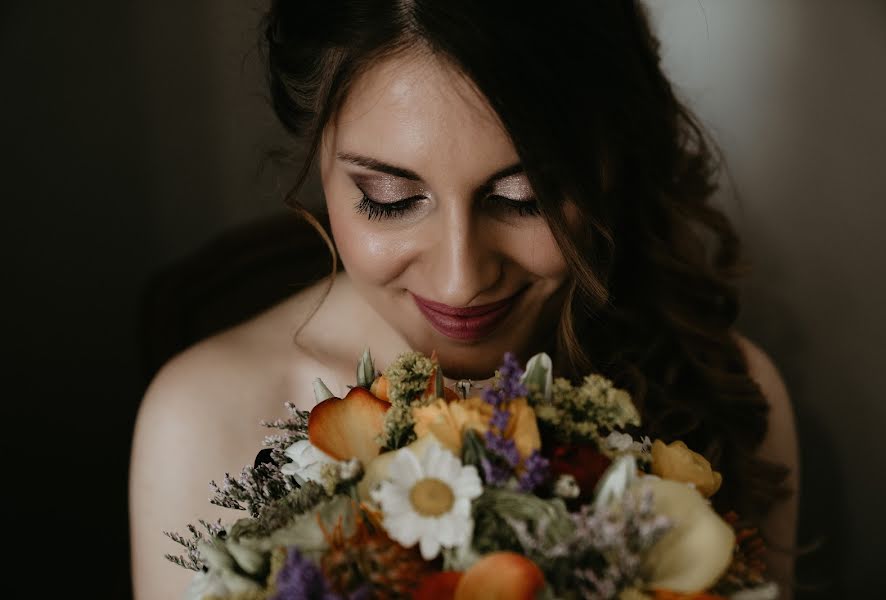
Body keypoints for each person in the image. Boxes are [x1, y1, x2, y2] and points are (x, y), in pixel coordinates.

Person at [129, 1, 798, 598]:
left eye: (523, 198)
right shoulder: (201, 419)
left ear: (610, 158)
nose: (460, 281)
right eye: (389, 200)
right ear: (318, 153)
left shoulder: (724, 392)